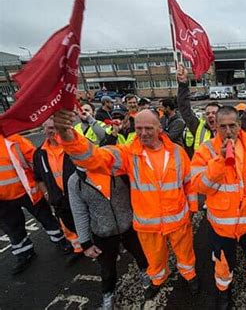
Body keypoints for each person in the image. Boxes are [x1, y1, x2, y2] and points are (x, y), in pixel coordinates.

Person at [53, 108, 199, 300]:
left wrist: (193, 209)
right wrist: (68, 136)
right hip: (148, 224)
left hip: (178, 219)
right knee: (154, 258)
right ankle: (157, 279)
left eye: (148, 128)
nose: (143, 133)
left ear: (160, 128)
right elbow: (94, 158)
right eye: (139, 128)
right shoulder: (128, 154)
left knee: (185, 253)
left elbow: (189, 182)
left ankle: (190, 276)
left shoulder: (177, 152)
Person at [191, 105, 246, 309]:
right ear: (215, 127)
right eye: (223, 126)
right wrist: (220, 161)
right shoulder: (205, 151)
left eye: (232, 125)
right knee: (223, 262)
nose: (228, 131)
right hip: (222, 225)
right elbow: (199, 185)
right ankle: (224, 292)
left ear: (240, 126)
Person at [68, 167, 149, 309]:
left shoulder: (117, 169)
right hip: (103, 233)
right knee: (107, 269)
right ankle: (108, 294)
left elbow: (138, 191)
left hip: (130, 226)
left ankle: (145, 273)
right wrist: (85, 242)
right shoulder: (75, 181)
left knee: (141, 254)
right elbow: (79, 212)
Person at [0, 133, 70, 274]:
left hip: (28, 190)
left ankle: (63, 242)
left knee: (47, 219)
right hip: (3, 199)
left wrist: (43, 183)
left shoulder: (13, 139)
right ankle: (24, 253)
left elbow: (34, 158)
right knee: (12, 228)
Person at [177, 61, 246, 156]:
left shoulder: (234, 128)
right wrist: (183, 84)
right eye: (208, 113)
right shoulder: (198, 128)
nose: (210, 115)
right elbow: (184, 109)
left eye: (214, 113)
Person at [33, 118, 83, 262]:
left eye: (54, 127)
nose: (51, 131)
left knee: (85, 221)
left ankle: (94, 246)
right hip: (58, 199)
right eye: (48, 128)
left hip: (78, 195)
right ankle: (78, 248)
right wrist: (47, 194)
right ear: (43, 130)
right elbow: (38, 178)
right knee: (67, 226)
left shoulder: (71, 148)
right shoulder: (39, 154)